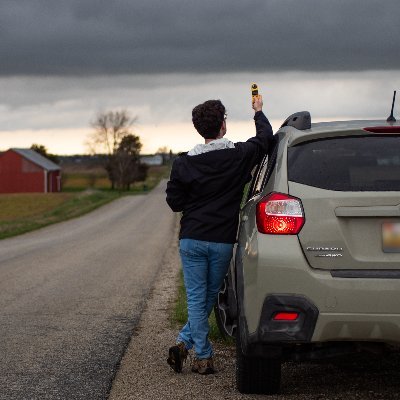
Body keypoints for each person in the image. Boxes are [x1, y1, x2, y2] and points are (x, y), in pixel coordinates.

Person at [166, 95, 273, 375]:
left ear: (198, 128)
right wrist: (258, 112)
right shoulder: (238, 155)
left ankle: (187, 346)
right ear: (223, 125)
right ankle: (202, 355)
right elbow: (265, 139)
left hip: (192, 239)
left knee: (197, 299)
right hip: (222, 241)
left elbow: (175, 202)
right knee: (206, 297)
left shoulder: (184, 164)